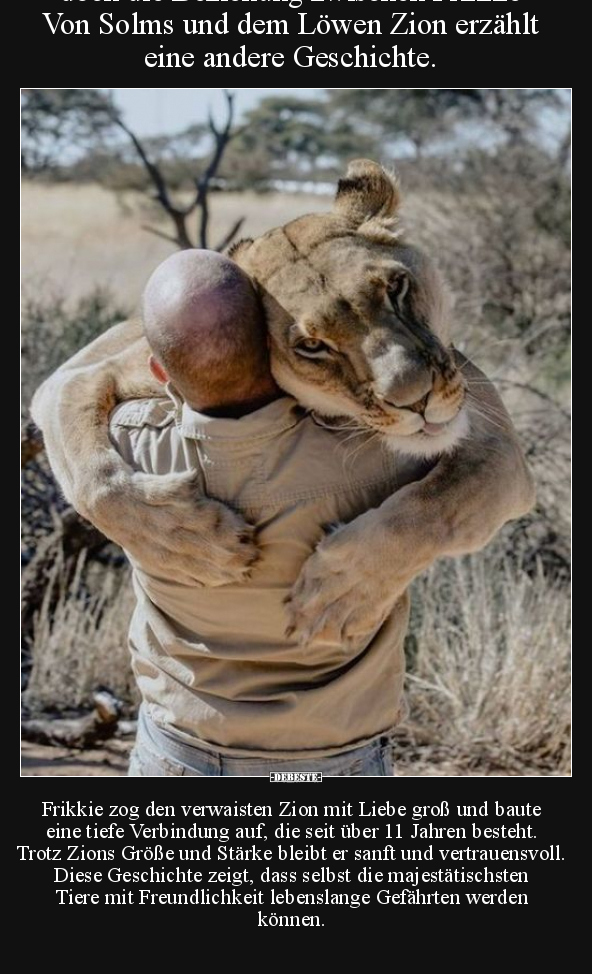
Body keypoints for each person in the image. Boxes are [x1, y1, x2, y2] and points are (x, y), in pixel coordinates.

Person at [111, 250, 427, 776]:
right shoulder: (378, 456)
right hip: (336, 759)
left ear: (159, 371)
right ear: (276, 344)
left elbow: (80, 387)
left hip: (179, 751)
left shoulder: (127, 444)